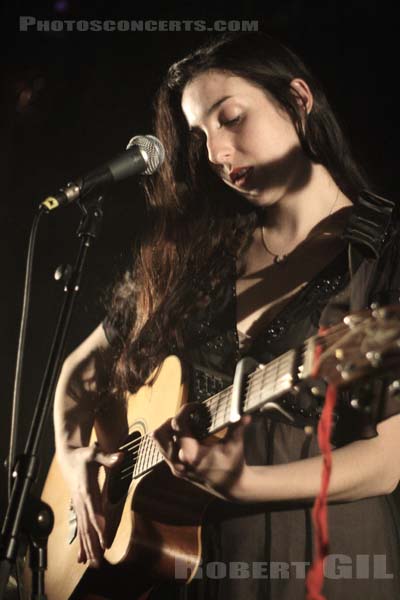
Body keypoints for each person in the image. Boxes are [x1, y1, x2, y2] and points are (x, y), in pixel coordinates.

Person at [54, 32, 400, 599]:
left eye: (231, 118)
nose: (216, 153)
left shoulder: (382, 251)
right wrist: (74, 463)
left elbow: (387, 461)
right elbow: (82, 370)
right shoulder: (203, 252)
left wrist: (241, 485)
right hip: (189, 571)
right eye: (200, 136)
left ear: (298, 100)